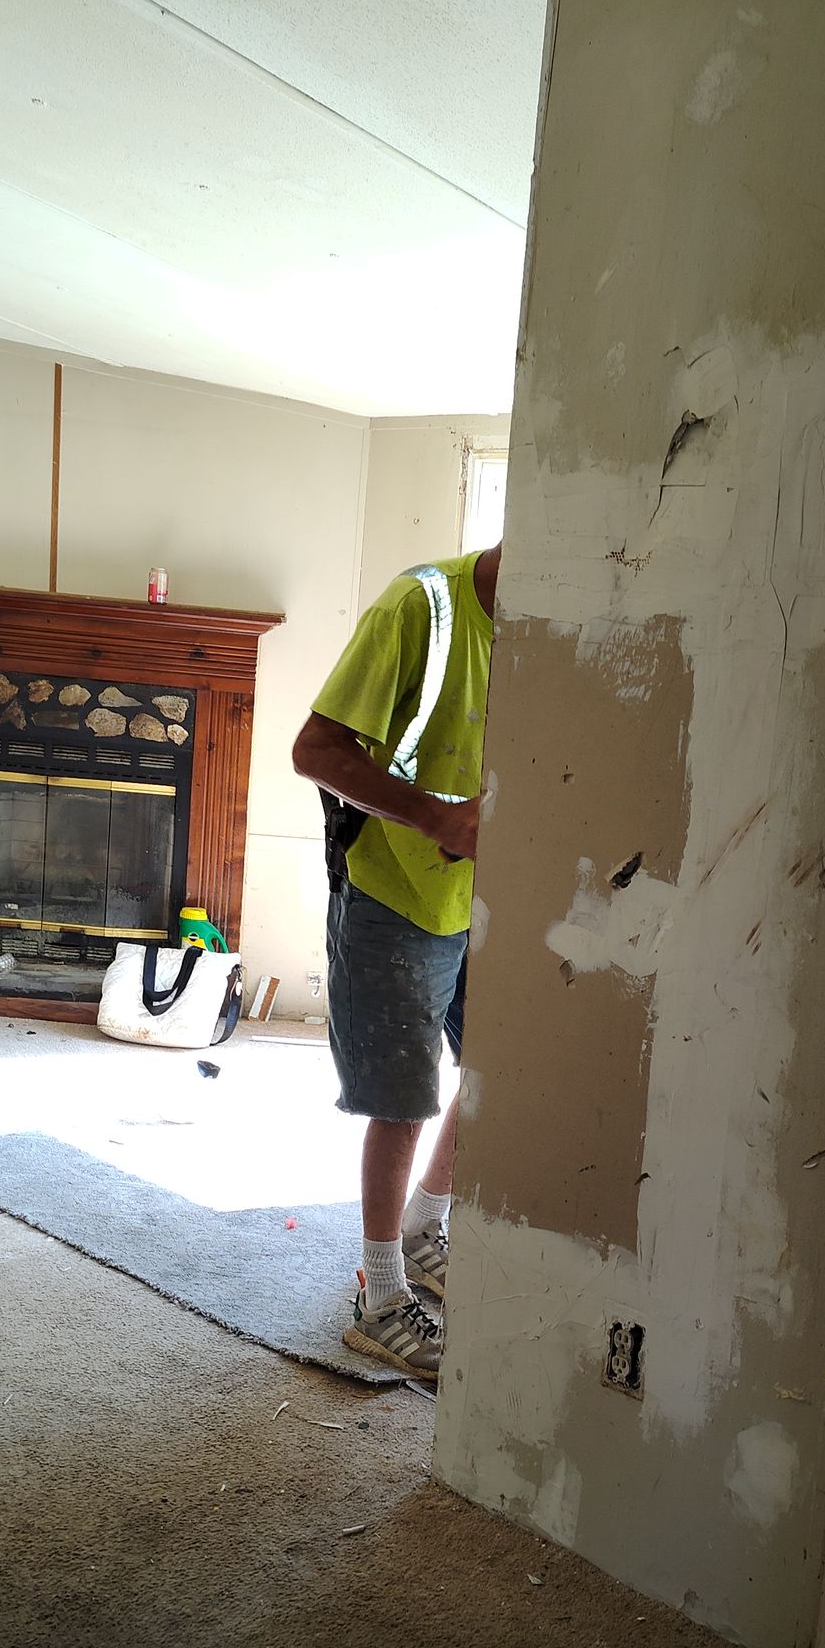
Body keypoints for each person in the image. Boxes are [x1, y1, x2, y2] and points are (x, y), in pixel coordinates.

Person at [291, 542, 499, 1377]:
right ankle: (380, 1297)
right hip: (395, 890)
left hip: (493, 896)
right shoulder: (421, 607)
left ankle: (424, 1229)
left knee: (500, 1071)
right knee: (403, 1101)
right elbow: (315, 751)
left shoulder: (566, 619)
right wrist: (435, 817)